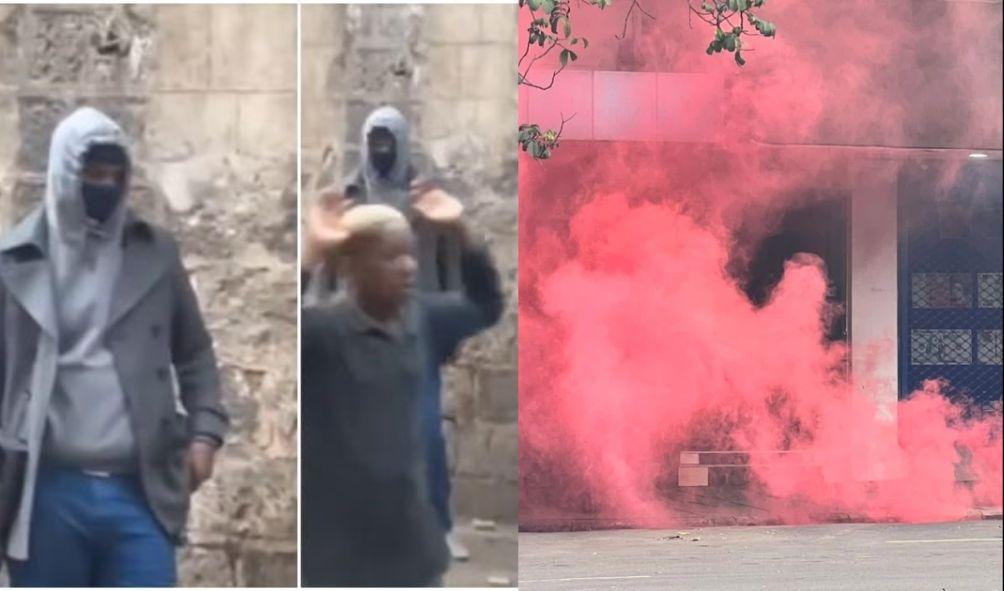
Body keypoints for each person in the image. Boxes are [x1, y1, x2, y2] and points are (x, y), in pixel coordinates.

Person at [0, 107, 228, 586]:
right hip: (46, 492)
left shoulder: (154, 253)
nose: (104, 185)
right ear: (64, 173)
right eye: (91, 173)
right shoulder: (15, 262)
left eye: (114, 174)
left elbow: (195, 353)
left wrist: (205, 435)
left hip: (139, 490)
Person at [300, 193, 503, 587]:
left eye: (409, 254)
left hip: (410, 544)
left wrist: (462, 231)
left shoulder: (422, 320)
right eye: (390, 257)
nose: (408, 267)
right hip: (339, 552)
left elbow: (486, 305)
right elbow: (283, 324)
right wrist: (311, 254)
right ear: (352, 267)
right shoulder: (322, 334)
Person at [305, 104, 470, 560]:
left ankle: (437, 524)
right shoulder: (349, 197)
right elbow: (328, 264)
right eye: (373, 143)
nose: (379, 151)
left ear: (400, 145)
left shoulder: (424, 197)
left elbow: (448, 263)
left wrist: (451, 327)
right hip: (354, 328)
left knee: (425, 433)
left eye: (387, 143)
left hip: (414, 329)